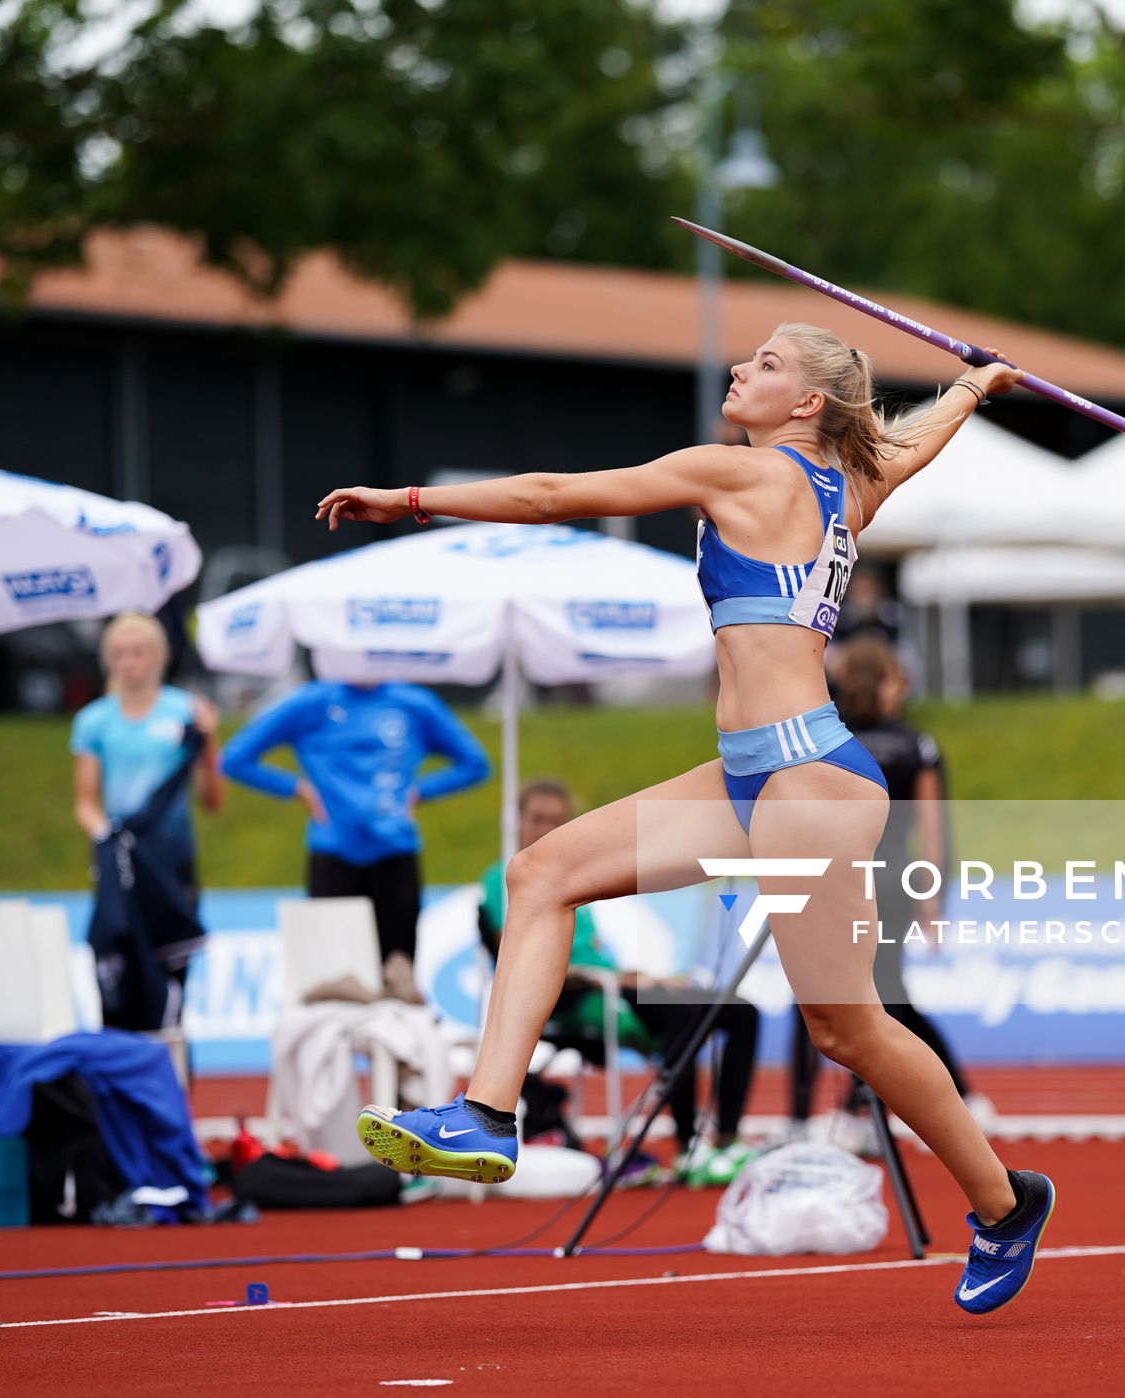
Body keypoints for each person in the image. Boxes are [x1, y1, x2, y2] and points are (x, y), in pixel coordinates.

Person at [327, 321, 1055, 1315]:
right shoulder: (852, 488)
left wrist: (410, 500)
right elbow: (911, 445)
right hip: (748, 774)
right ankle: (486, 1115)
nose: (738, 371)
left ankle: (1007, 1201)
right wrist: (973, 388)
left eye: (764, 364)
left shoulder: (744, 475)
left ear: (805, 403)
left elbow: (553, 497)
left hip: (809, 781)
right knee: (541, 874)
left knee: (845, 1029)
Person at [478, 779, 760, 1186]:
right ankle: (687, 1148)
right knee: (687, 1016)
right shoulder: (505, 878)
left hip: (612, 985)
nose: (545, 829)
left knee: (739, 1010)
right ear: (518, 821)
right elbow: (517, 959)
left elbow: (597, 955)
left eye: (557, 821)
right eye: (537, 819)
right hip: (570, 996)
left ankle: (727, 1139)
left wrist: (647, 979)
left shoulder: (571, 877)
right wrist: (613, 979)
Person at [791, 635, 991, 1140]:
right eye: (897, 679)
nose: (904, 688)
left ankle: (801, 1119)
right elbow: (933, 829)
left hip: (828, 877)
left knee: (816, 995)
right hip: (889, 878)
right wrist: (933, 898)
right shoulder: (916, 745)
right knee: (887, 995)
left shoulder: (821, 738)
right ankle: (952, 1097)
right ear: (880, 684)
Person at [220, 679, 490, 978]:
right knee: (335, 979)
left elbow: (474, 763)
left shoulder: (414, 703)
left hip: (395, 854)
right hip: (334, 856)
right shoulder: (313, 702)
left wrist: (419, 792)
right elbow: (235, 758)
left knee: (397, 976)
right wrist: (297, 789)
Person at [72, 612, 225, 1028]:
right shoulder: (94, 721)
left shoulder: (185, 713)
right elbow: (85, 801)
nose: (130, 663)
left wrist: (209, 741)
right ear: (109, 659)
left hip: (172, 863)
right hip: (121, 865)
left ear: (158, 656)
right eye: (120, 654)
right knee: (119, 976)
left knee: (172, 986)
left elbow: (212, 799)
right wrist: (109, 835)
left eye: (139, 652)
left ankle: (171, 1087)